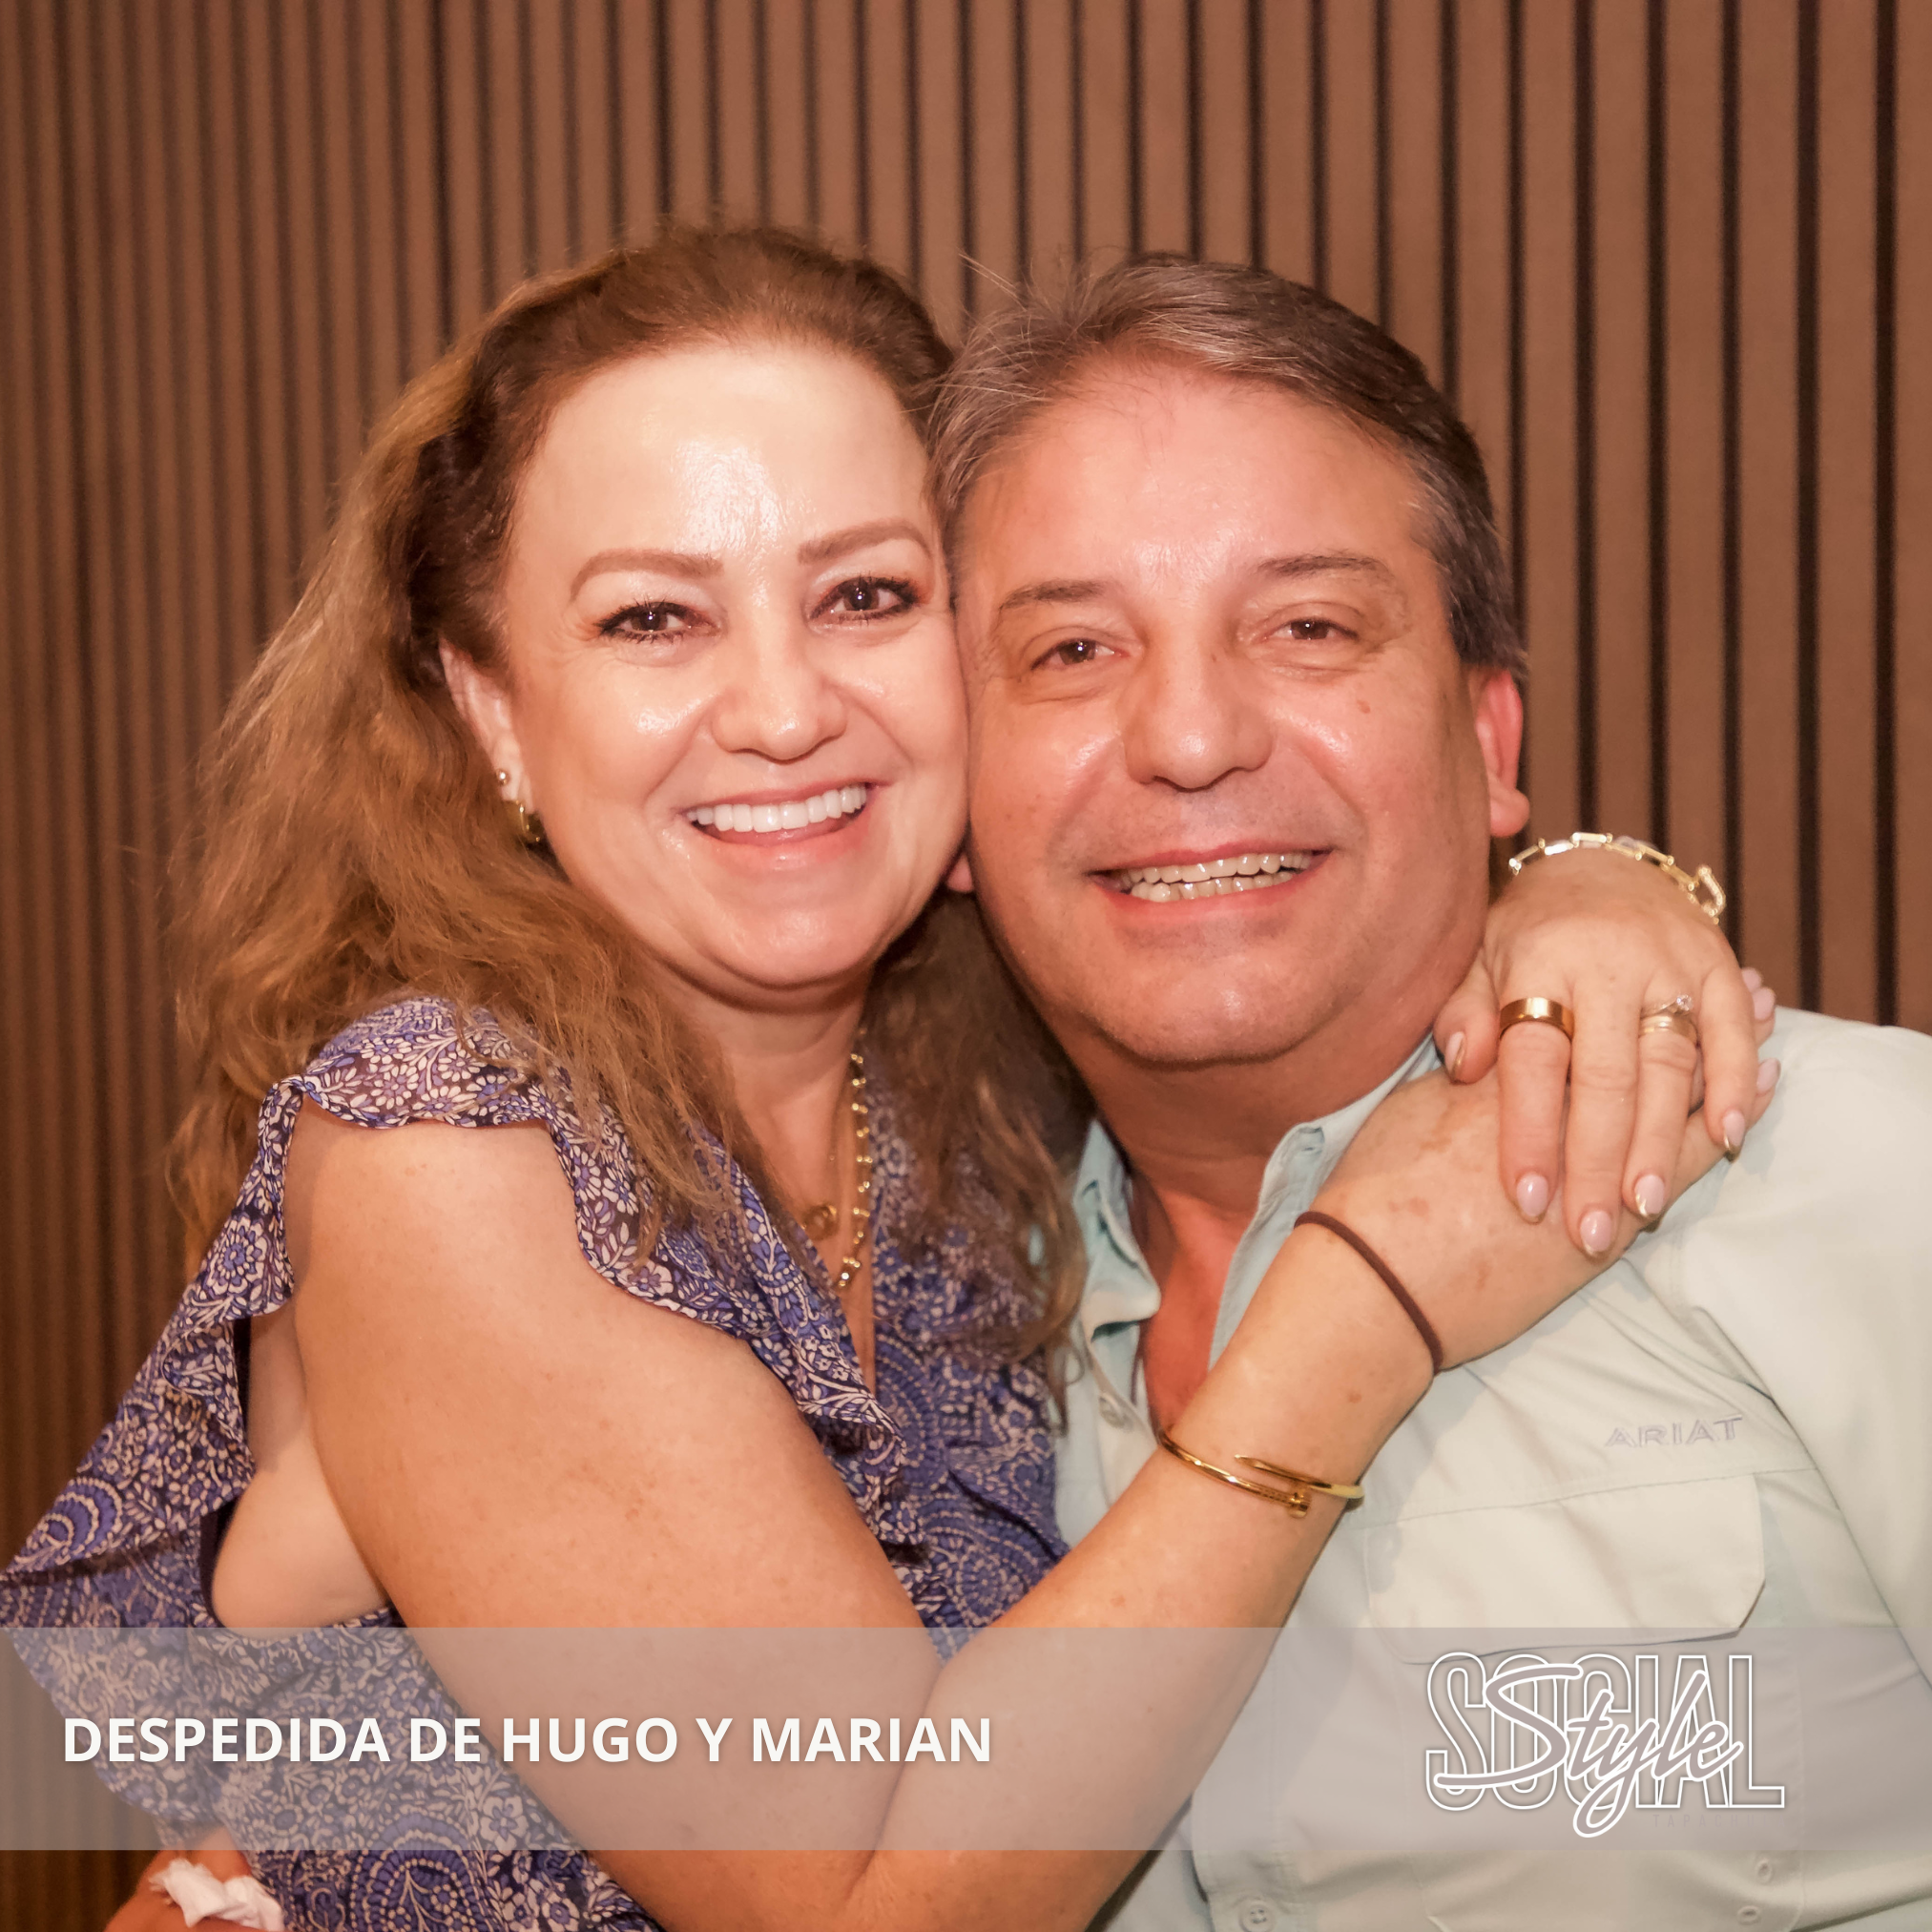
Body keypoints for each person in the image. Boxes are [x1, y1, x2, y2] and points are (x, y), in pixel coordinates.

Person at [7, 228, 1763, 1932]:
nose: (784, 709)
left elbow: (1299, 905)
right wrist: (1364, 1304)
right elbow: (862, 1901)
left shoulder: (980, 1111)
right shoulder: (449, 1137)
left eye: (865, 596)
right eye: (652, 619)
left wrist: (1586, 890)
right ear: (493, 712)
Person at [936, 254, 1932, 1929]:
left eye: (1309, 628)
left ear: (1489, 738)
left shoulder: (1855, 1177)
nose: (1190, 735)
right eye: (1072, 648)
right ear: (950, 792)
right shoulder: (931, 1358)